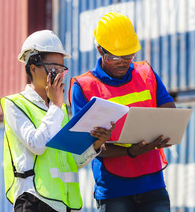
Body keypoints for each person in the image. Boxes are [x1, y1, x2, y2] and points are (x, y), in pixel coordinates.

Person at [69, 12, 176, 212]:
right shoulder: (84, 87)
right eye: (115, 56)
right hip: (114, 190)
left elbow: (169, 111)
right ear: (100, 50)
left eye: (128, 55)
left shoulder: (146, 73)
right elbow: (87, 147)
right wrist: (129, 151)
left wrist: (164, 131)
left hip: (153, 185)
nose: (123, 61)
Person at [0, 30, 112, 212]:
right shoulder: (15, 105)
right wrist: (55, 106)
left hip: (65, 203)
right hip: (33, 200)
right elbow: (36, 144)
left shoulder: (59, 109)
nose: (59, 74)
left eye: (61, 69)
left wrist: (95, 145)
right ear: (32, 67)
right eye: (53, 69)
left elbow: (71, 159)